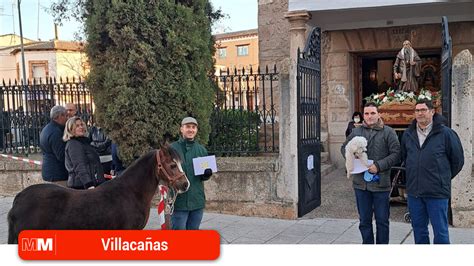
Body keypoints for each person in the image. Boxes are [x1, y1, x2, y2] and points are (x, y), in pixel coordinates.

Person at [401, 99, 464, 244]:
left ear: (432, 112)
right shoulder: (408, 134)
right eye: (417, 110)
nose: (420, 113)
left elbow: (458, 161)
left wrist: (442, 177)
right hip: (414, 192)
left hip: (437, 192)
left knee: (440, 232)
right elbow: (405, 157)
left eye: (423, 110)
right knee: (419, 230)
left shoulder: (446, 134)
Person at [341, 102, 400, 244]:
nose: (369, 116)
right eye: (366, 113)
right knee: (364, 221)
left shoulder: (388, 132)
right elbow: (344, 148)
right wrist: (352, 156)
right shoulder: (356, 132)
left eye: (373, 113)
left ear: (378, 114)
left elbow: (396, 154)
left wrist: (378, 166)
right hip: (361, 185)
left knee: (382, 221)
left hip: (381, 184)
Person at [170, 117, 213, 230]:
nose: (191, 130)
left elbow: (202, 177)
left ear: (196, 130)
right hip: (179, 201)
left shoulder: (201, 150)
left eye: (193, 127)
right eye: (187, 127)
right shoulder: (172, 149)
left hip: (197, 201)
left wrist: (206, 174)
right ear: (181, 129)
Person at [63, 116, 105, 189]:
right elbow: (79, 166)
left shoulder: (84, 142)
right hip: (82, 186)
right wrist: (89, 185)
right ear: (70, 129)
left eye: (82, 125)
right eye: (77, 126)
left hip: (91, 183)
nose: (81, 127)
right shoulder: (74, 144)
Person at [39, 105, 69, 185]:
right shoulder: (56, 132)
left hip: (49, 172)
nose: (67, 118)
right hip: (58, 175)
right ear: (59, 116)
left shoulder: (47, 128)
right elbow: (61, 155)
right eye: (66, 116)